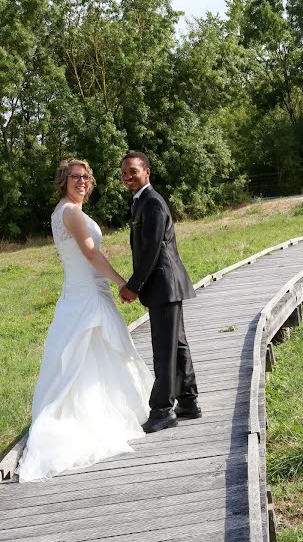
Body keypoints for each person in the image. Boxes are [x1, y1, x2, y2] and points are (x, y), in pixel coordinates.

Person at [17, 158, 153, 482]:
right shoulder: (71, 212)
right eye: (75, 177)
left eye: (85, 177)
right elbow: (91, 253)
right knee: (90, 355)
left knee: (91, 358)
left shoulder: (62, 211)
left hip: (79, 293)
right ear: (64, 180)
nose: (81, 181)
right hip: (87, 294)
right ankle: (93, 418)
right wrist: (124, 283)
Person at [119, 151, 201, 433]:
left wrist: (134, 286)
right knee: (176, 345)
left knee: (164, 350)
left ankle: (162, 410)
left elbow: (152, 250)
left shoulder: (151, 202)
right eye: (124, 174)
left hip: (164, 284)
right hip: (164, 286)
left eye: (133, 171)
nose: (128, 177)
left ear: (147, 172)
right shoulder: (141, 202)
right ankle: (188, 401)